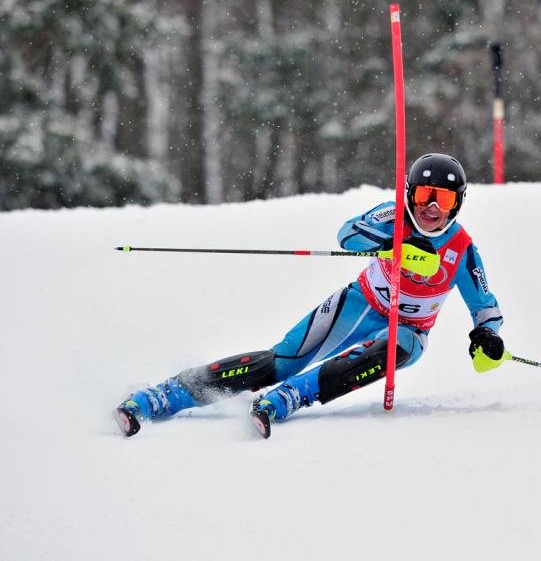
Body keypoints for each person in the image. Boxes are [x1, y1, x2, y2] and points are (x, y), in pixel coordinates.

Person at [113, 153, 508, 439]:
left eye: (444, 199)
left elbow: (485, 306)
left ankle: (289, 398)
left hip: (408, 329)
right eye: (424, 196)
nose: (432, 209)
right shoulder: (394, 215)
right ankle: (166, 395)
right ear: (410, 194)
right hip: (360, 303)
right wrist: (395, 237)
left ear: (458, 203)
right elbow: (347, 235)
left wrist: (487, 337)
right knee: (282, 360)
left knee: (399, 347)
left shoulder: (462, 248)